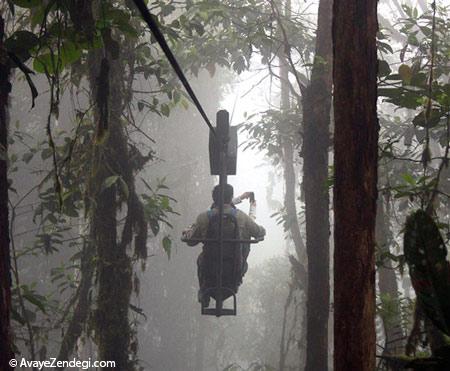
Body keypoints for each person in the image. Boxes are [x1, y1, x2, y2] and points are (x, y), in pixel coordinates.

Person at [182, 184, 265, 304]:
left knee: (200, 258)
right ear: (230, 197)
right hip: (234, 269)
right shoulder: (241, 217)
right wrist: (261, 229)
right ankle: (237, 282)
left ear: (213, 198)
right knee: (245, 243)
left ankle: (203, 289)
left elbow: (191, 242)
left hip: (209, 269)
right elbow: (258, 232)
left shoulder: (204, 217)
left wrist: (187, 232)